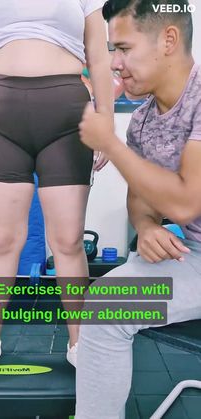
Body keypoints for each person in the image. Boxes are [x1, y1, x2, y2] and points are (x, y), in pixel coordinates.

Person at [0, 0, 114, 386]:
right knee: (1, 240)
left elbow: (99, 58)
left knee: (67, 241)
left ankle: (81, 343)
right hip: (0, 113)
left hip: (67, 115)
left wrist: (106, 121)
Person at [76, 0, 201, 418]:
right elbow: (140, 200)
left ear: (168, 40)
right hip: (196, 258)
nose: (114, 63)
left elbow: (185, 203)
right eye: (112, 50)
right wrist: (146, 226)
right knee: (103, 306)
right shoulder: (144, 120)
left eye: (124, 48)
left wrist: (108, 143)